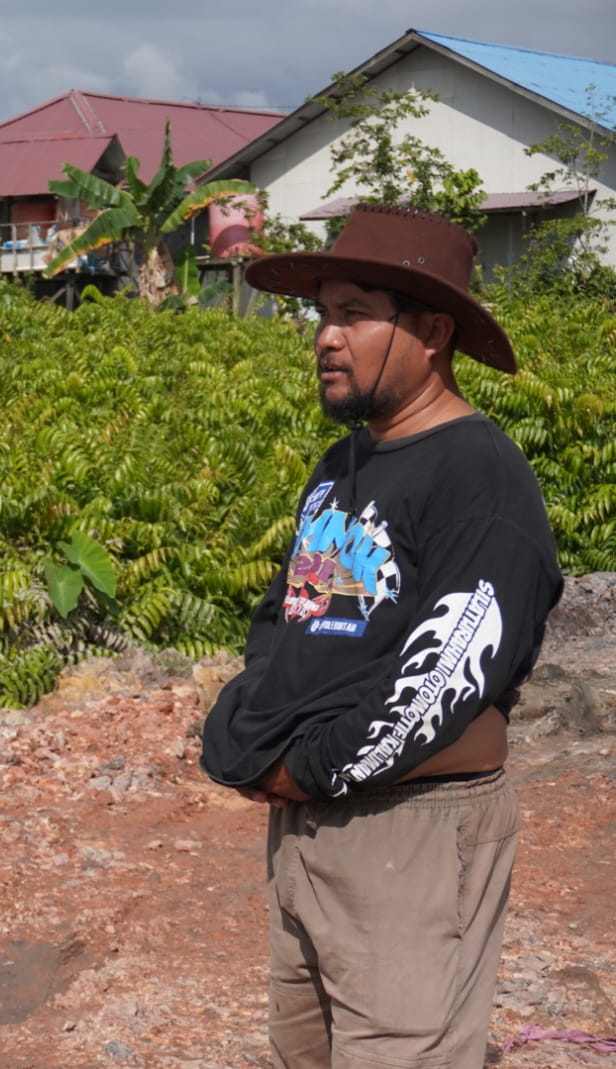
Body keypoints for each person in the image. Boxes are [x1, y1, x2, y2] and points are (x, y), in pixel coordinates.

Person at [200, 204, 563, 1068]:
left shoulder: (481, 477)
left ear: (433, 332)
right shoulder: (345, 465)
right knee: (305, 1051)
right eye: (321, 313)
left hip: (413, 828)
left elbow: (444, 674)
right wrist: (241, 736)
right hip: (308, 828)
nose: (325, 337)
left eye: (354, 313)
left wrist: (307, 766)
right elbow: (288, 622)